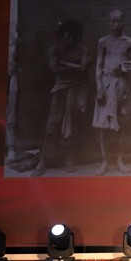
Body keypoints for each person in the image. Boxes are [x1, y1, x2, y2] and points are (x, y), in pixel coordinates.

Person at [33, 19, 89, 176]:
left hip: (76, 91)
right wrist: (75, 67)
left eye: (72, 35)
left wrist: (65, 63)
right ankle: (41, 163)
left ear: (76, 36)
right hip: (59, 91)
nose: (68, 38)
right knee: (51, 127)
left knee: (72, 126)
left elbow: (83, 68)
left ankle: (68, 160)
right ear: (63, 35)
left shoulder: (82, 49)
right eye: (66, 35)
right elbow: (56, 70)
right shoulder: (54, 50)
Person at [92, 9, 131, 175]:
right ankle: (105, 161)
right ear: (109, 22)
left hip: (123, 85)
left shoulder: (129, 42)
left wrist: (128, 69)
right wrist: (99, 88)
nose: (115, 24)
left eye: (119, 20)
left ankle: (120, 160)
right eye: (112, 21)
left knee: (122, 123)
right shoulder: (103, 42)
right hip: (106, 84)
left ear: (123, 22)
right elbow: (99, 65)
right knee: (103, 125)